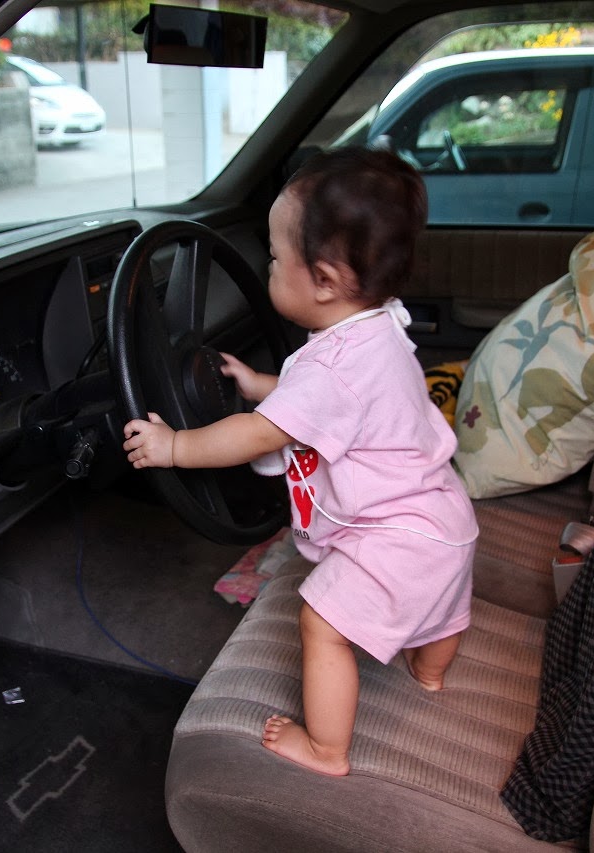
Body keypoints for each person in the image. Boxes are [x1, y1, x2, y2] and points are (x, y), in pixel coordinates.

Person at [122, 147, 478, 777]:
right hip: (443, 521)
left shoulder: (333, 369)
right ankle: (428, 674)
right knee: (441, 604)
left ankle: (326, 750)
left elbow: (259, 433)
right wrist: (263, 382)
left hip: (395, 536)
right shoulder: (377, 327)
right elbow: (324, 406)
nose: (268, 266)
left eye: (274, 257)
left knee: (320, 622)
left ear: (324, 280)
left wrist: (175, 446)